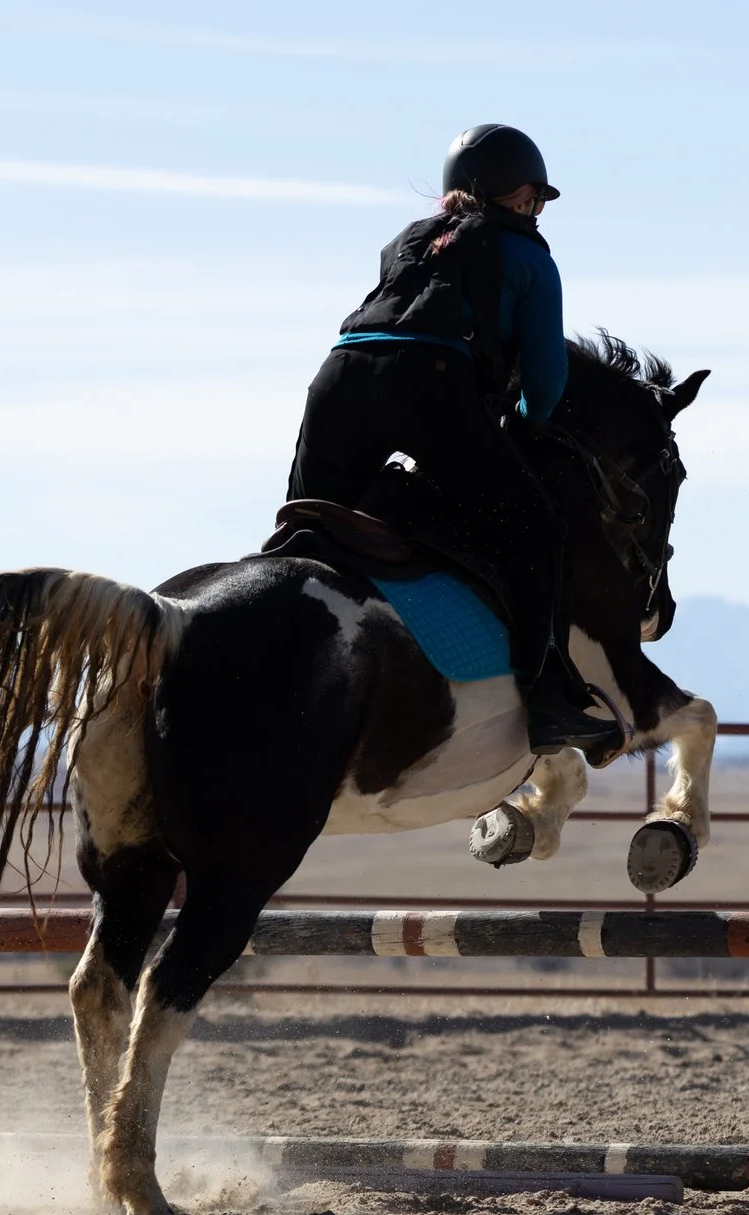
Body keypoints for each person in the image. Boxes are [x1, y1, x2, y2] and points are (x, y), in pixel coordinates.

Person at [287, 123, 620, 756]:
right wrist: (523, 421)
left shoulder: (404, 242)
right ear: (511, 195)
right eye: (534, 197)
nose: (538, 210)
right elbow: (546, 383)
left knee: (304, 531)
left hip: (335, 384)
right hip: (428, 386)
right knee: (537, 533)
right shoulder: (527, 256)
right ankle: (550, 702)